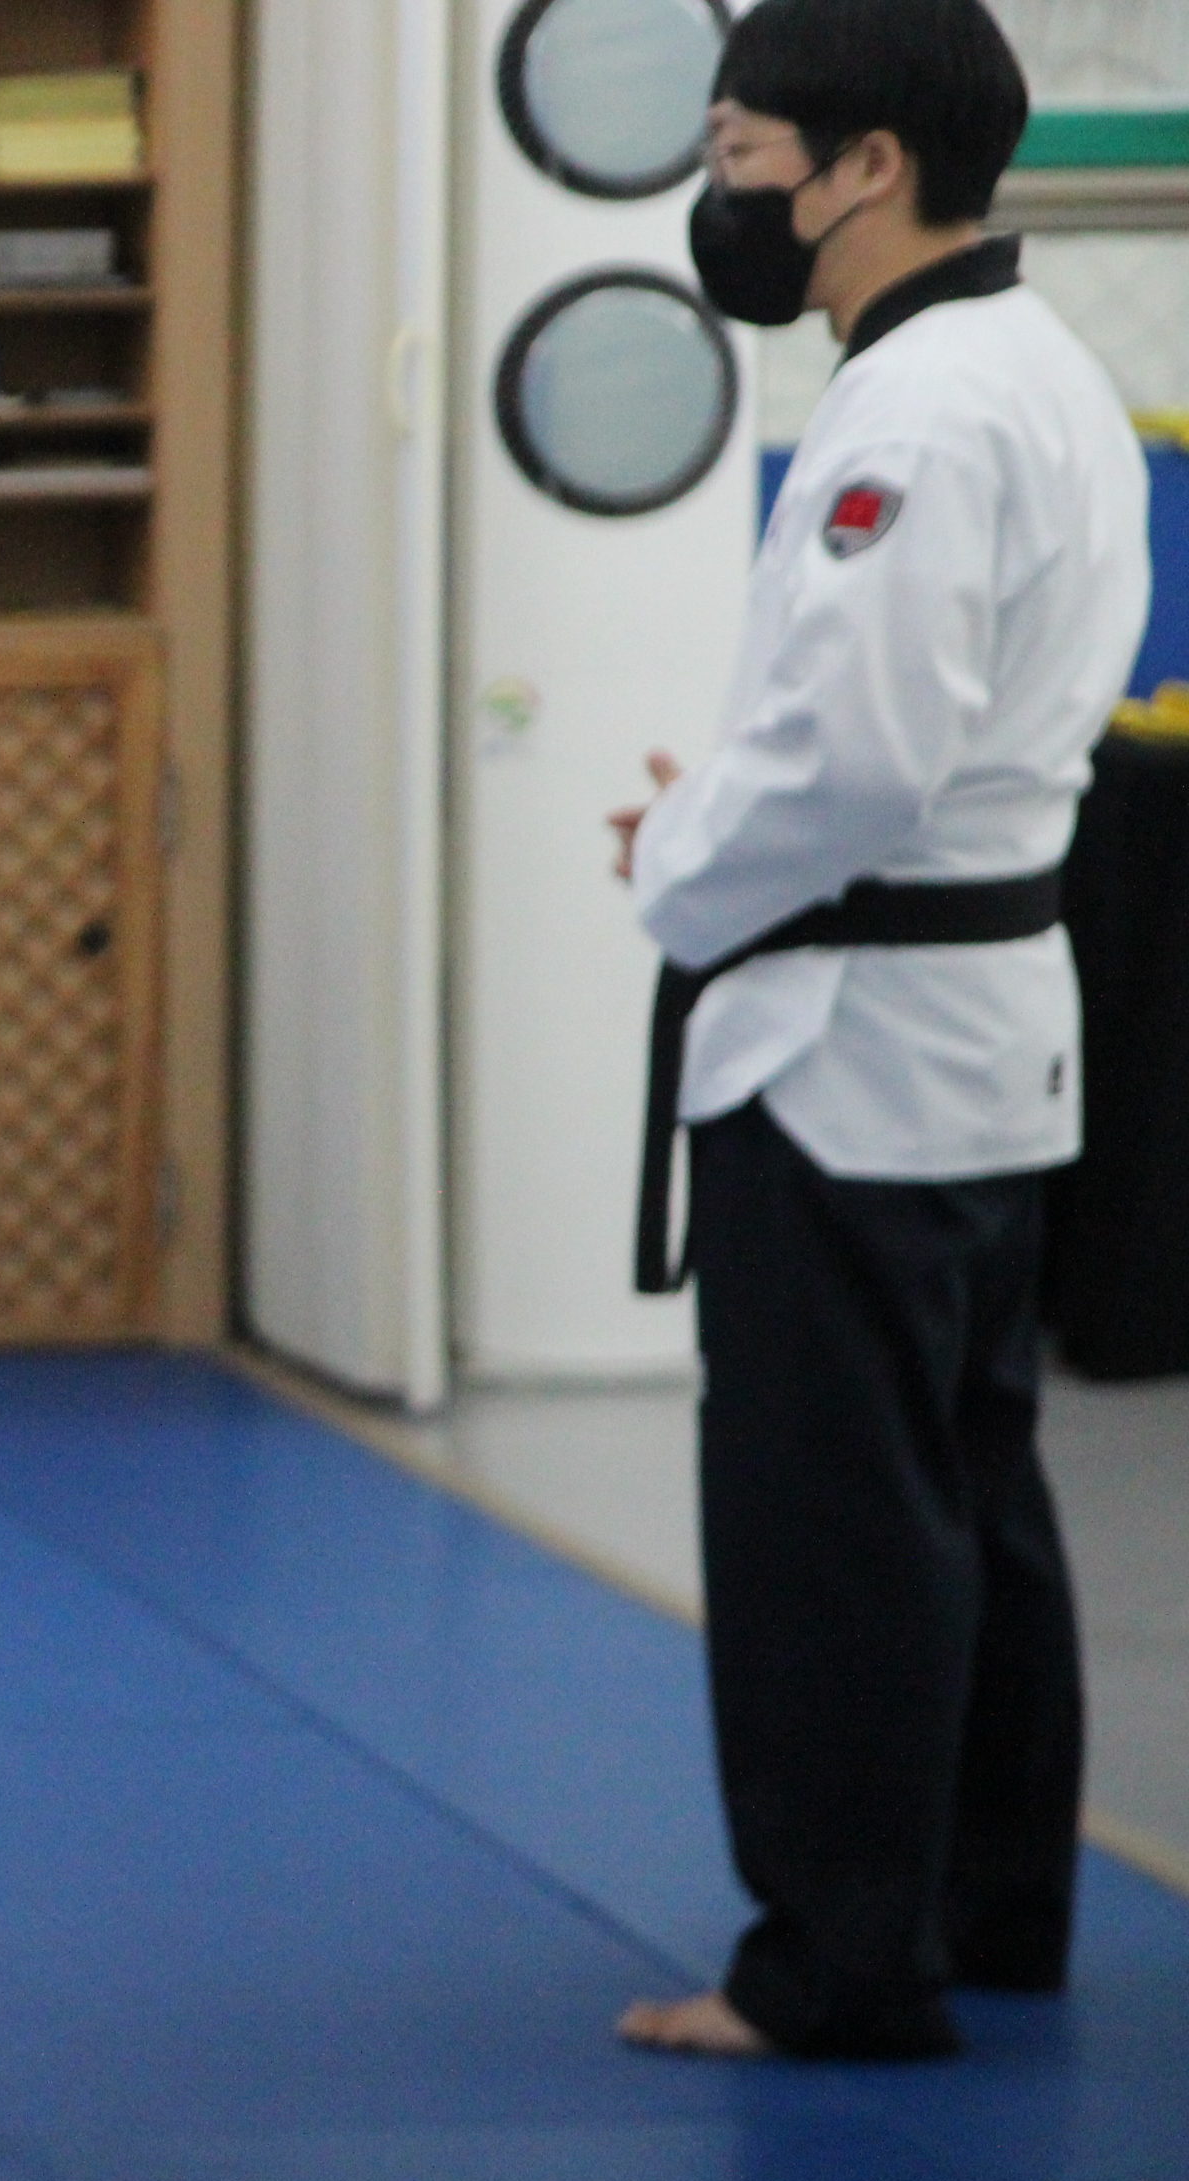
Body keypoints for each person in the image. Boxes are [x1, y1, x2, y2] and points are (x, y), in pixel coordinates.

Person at [611, 0, 1149, 2060]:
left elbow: (854, 767)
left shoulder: (909, 411)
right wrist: (732, 823)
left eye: (742, 153)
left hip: (853, 1052)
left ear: (867, 167)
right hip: (982, 1032)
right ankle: (991, 1910)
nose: (724, 195)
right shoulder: (1038, 369)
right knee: (969, 1497)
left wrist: (679, 855)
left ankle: (838, 1964)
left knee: (836, 1525)